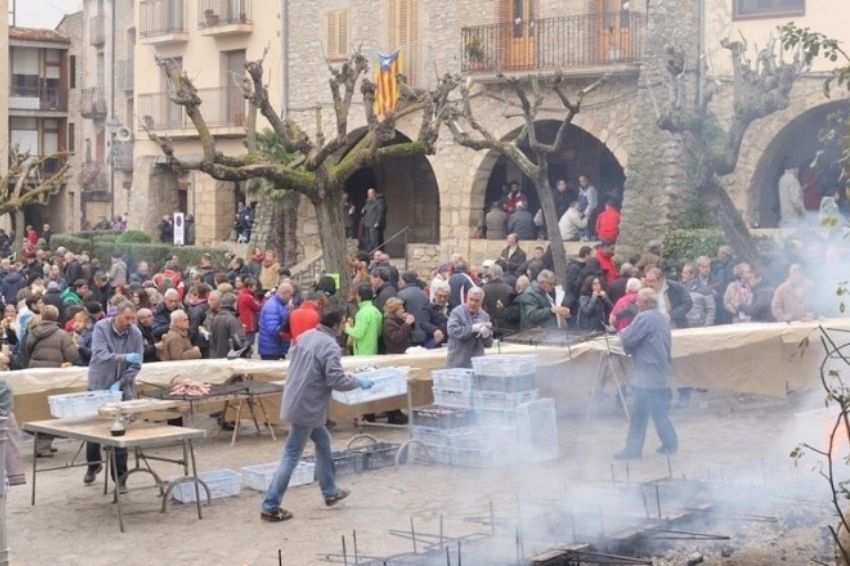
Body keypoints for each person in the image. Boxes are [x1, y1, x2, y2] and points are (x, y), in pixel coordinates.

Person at [260, 308, 373, 522]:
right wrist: (358, 382)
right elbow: (336, 380)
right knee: (292, 454)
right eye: (344, 321)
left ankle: (330, 492)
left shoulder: (305, 336)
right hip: (307, 406)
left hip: (296, 398)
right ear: (338, 323)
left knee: (322, 440)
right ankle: (270, 505)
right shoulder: (330, 345)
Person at [85, 301, 144, 490]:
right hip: (99, 385)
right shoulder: (101, 328)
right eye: (127, 318)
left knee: (120, 433)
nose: (130, 322)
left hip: (122, 389)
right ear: (116, 316)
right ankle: (93, 465)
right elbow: (100, 354)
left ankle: (121, 479)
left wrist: (123, 381)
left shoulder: (135, 333)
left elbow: (137, 363)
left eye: (133, 319)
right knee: (94, 429)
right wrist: (122, 357)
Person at [614, 288, 677, 459]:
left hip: (647, 373)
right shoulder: (660, 316)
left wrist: (623, 334)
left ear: (646, 303)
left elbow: (628, 338)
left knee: (639, 414)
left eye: (638, 300)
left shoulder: (644, 317)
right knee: (659, 410)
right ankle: (670, 444)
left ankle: (632, 450)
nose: (635, 303)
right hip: (660, 369)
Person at [446, 287, 493, 369]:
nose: (473, 303)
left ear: (481, 302)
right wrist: (473, 328)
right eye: (471, 299)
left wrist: (486, 335)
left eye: (476, 301)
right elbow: (452, 331)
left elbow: (489, 344)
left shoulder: (485, 316)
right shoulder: (457, 312)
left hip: (476, 365)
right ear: (466, 298)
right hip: (458, 363)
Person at [257, 282, 294, 360]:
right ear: (285, 293)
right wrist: (288, 325)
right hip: (271, 350)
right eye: (290, 295)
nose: (291, 298)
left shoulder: (280, 304)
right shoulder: (272, 306)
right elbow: (273, 330)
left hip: (276, 348)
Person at [344, 284, 383, 355]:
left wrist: (347, 327)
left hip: (362, 352)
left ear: (359, 296)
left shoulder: (362, 313)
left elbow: (358, 334)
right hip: (373, 349)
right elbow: (379, 332)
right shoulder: (377, 311)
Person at [396, 270, 429, 346]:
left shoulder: (401, 294)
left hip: (409, 333)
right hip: (423, 332)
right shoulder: (423, 294)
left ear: (404, 280)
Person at [210, 293, 247, 358]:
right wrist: (247, 348)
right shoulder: (232, 320)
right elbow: (238, 341)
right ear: (233, 304)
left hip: (219, 355)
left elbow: (212, 338)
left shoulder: (216, 318)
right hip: (230, 357)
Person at [681, 262, 716, 327]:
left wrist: (707, 327)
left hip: (700, 326)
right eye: (682, 272)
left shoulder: (704, 289)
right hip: (683, 326)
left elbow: (711, 310)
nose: (682, 275)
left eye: (685, 273)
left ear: (693, 275)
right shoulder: (680, 288)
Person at [421, 281, 450, 348]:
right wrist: (435, 330)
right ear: (435, 294)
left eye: (445, 296)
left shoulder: (452, 307)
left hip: (450, 343)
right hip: (434, 343)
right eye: (440, 296)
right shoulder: (428, 308)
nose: (442, 299)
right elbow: (424, 322)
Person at [778, 161, 805, 226]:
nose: (798, 171)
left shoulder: (782, 179)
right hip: (794, 216)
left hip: (785, 214)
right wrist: (804, 211)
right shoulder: (793, 180)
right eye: (797, 169)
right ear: (792, 168)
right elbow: (796, 199)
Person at [362, 188, 384, 252]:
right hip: (367, 223)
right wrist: (363, 210)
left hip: (373, 223)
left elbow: (380, 212)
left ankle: (375, 254)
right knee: (368, 241)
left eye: (371, 193)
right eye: (368, 193)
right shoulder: (368, 202)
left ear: (374, 193)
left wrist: (377, 222)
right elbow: (365, 210)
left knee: (374, 240)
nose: (369, 195)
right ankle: (370, 254)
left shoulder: (379, 201)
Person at [577, 175, 598, 240]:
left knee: (588, 229)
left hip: (588, 213)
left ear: (587, 181)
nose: (581, 183)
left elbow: (591, 203)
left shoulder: (590, 189)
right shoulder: (583, 190)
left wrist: (585, 213)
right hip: (583, 212)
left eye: (582, 181)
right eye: (580, 181)